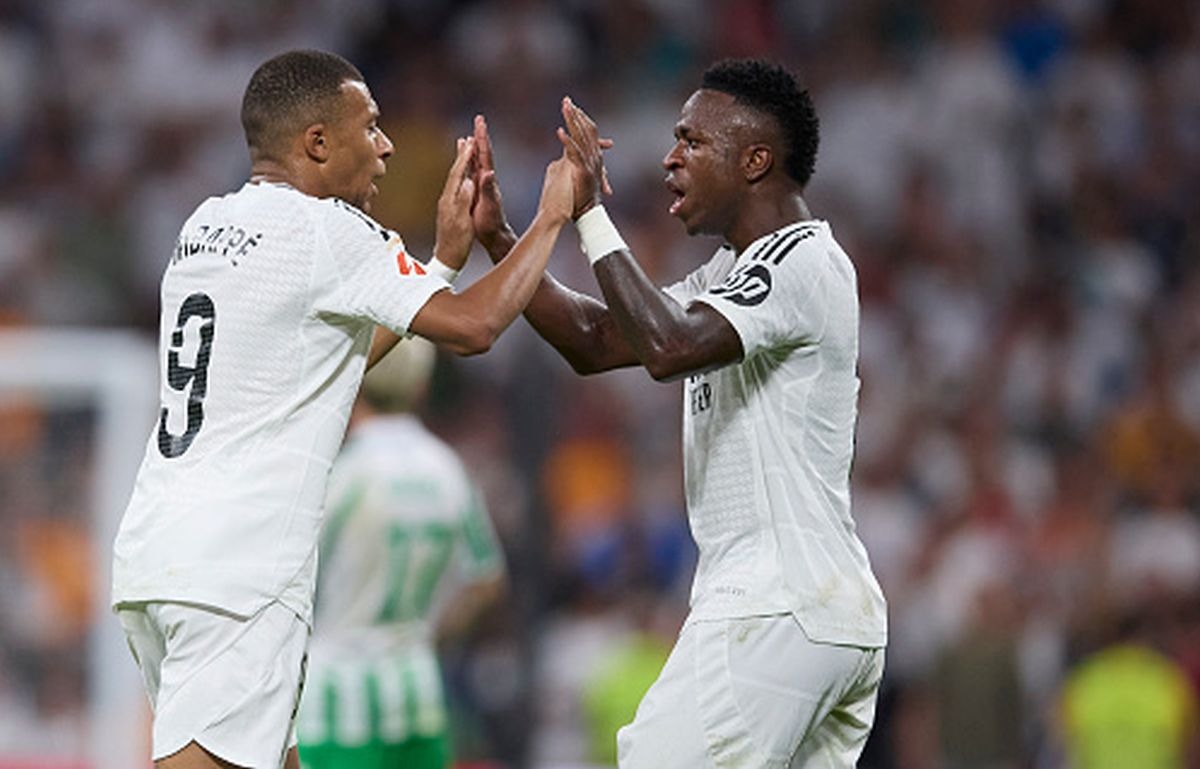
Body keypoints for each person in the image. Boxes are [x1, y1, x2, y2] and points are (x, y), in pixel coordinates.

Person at [111, 49, 574, 769]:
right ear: (318, 142)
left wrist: (440, 263)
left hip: (157, 554)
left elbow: (326, 367)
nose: (386, 144)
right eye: (372, 125)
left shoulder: (203, 224)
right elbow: (475, 328)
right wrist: (552, 217)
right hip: (242, 573)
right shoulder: (326, 230)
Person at [472, 59, 888, 767]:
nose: (670, 158)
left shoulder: (801, 262)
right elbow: (602, 339)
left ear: (755, 160)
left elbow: (666, 345)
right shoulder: (737, 273)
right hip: (818, 612)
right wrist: (501, 240)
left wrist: (591, 215)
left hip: (774, 604)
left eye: (692, 141)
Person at [296, 337, 505, 769]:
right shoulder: (447, 468)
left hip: (335, 698)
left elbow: (293, 571)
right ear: (421, 386)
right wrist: (427, 634)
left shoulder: (344, 473)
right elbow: (486, 580)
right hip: (415, 692)